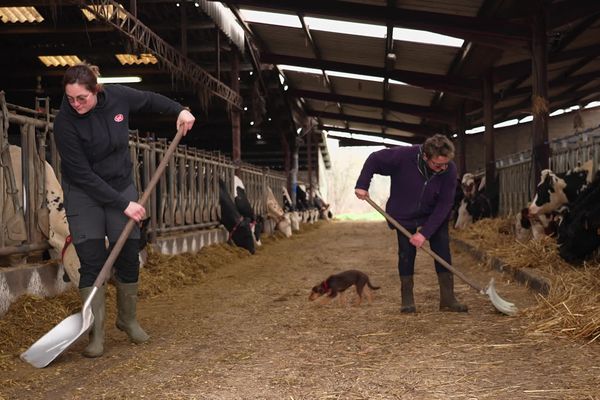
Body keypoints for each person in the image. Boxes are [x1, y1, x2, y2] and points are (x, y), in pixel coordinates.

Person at [53, 63, 195, 357]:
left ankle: (127, 319)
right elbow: (81, 174)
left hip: (119, 184)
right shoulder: (64, 123)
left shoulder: (118, 98)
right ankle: (97, 331)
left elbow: (151, 100)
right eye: (70, 99)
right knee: (92, 260)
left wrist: (180, 110)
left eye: (82, 98)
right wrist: (124, 205)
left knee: (128, 253)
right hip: (84, 193)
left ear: (96, 90)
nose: (76, 104)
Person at [354, 134, 467, 314]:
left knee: (442, 248)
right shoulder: (404, 157)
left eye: (445, 164)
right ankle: (407, 298)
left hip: (432, 213)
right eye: (437, 165)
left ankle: (448, 298)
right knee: (406, 252)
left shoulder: (449, 170)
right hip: (404, 214)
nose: (442, 168)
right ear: (425, 156)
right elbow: (374, 159)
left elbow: (445, 204)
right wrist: (362, 184)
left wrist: (425, 233)